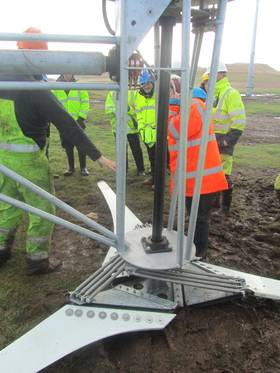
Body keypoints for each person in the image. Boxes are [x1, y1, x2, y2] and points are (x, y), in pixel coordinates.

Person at [0, 33, 115, 274]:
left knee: (7, 206)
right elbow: (67, 124)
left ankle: (1, 252)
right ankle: (37, 260)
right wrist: (97, 156)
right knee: (43, 208)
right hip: (29, 161)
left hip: (3, 162)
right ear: (43, 57)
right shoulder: (35, 89)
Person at [168, 87, 228, 258]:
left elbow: (174, 130)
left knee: (199, 219)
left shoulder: (195, 106)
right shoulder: (198, 107)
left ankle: (198, 253)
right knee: (199, 218)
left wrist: (172, 107)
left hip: (200, 181)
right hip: (201, 179)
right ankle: (197, 250)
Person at [203, 62, 246, 214]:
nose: (208, 79)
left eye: (210, 76)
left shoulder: (230, 93)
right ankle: (215, 204)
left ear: (220, 74)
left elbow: (239, 121)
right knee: (213, 173)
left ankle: (225, 209)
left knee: (223, 175)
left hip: (223, 141)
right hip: (212, 141)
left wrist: (227, 141)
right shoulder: (213, 94)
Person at [53, 74, 90, 176]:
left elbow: (85, 101)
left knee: (81, 145)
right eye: (66, 72)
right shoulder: (56, 86)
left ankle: (83, 168)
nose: (68, 74)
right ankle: (71, 168)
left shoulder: (79, 85)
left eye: (70, 72)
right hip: (63, 122)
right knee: (68, 146)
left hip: (78, 121)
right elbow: (53, 103)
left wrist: (81, 117)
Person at [105, 89, 145, 175]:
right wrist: (121, 110)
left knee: (136, 149)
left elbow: (138, 108)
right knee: (121, 150)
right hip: (118, 127)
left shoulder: (133, 93)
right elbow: (108, 109)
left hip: (131, 127)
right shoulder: (112, 93)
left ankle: (141, 169)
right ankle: (124, 170)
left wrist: (129, 109)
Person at [133, 69, 156, 186]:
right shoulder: (138, 96)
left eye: (148, 83)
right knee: (152, 158)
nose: (146, 86)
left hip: (159, 134)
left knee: (159, 159)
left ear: (153, 82)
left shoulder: (159, 95)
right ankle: (154, 178)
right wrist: (141, 128)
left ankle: (158, 181)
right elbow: (138, 113)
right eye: (143, 84)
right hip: (146, 134)